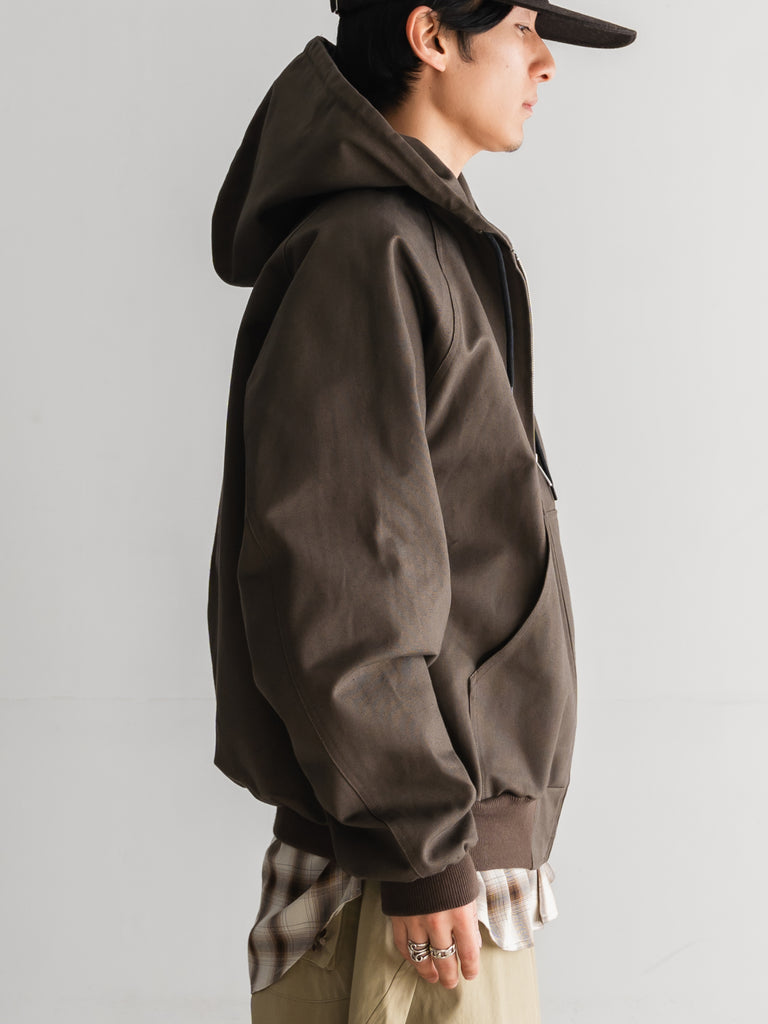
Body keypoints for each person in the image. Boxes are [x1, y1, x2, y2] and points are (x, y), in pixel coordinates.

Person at [206, 2, 636, 1021]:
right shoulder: (369, 249)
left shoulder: (419, 242)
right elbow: (339, 574)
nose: (545, 62)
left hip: (436, 866)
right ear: (432, 36)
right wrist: (422, 847)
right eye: (522, 27)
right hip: (409, 888)